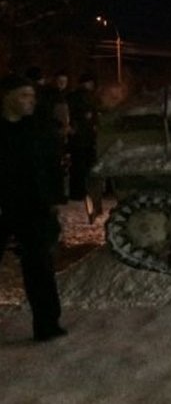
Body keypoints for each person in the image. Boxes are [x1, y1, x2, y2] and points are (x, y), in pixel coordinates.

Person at [0, 74, 67, 342]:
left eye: (32, 96)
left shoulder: (38, 130)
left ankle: (47, 324)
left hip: (33, 207)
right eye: (23, 95)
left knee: (39, 267)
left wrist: (54, 201)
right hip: (2, 206)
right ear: (7, 97)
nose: (30, 101)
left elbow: (51, 167)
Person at [67, 73, 100, 200]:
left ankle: (80, 192)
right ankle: (80, 192)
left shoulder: (82, 96)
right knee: (81, 166)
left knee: (80, 166)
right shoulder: (84, 97)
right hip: (82, 136)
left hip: (82, 136)